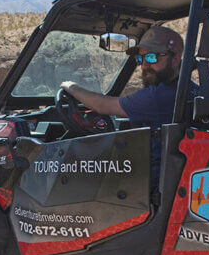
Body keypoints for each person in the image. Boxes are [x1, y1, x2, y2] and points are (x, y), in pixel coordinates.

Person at [60, 25, 196, 183]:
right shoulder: (190, 89)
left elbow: (101, 105)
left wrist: (71, 87)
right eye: (140, 59)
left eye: (152, 57)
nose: (144, 65)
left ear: (175, 59)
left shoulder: (160, 97)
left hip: (152, 181)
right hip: (169, 175)